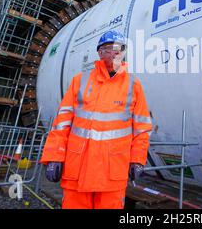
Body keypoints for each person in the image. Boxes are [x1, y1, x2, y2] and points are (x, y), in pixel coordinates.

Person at [40, 30, 152, 209]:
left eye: (119, 49)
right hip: (77, 171)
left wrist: (137, 159)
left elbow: (142, 128)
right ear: (99, 53)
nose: (114, 53)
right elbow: (61, 123)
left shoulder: (133, 85)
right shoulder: (80, 81)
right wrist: (54, 157)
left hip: (112, 173)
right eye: (108, 49)